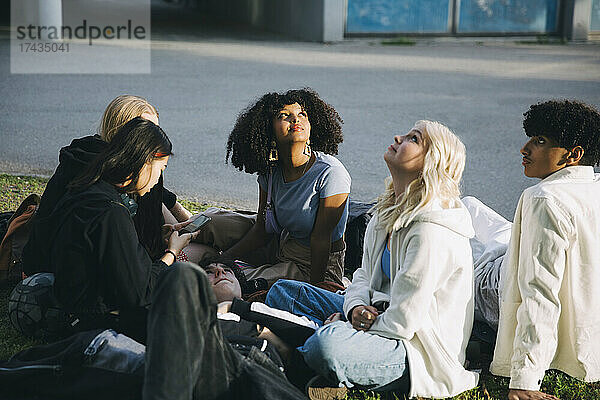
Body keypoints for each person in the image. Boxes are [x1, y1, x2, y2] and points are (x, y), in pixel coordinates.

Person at [266, 120, 479, 398]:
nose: (398, 137)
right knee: (285, 293)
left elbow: (404, 323)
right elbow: (362, 276)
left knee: (327, 345)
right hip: (374, 315)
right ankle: (325, 359)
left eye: (413, 139)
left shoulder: (431, 231)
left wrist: (346, 326)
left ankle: (303, 351)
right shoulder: (388, 210)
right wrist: (354, 309)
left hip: (414, 350)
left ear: (431, 162)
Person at [25, 117, 194, 343]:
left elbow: (113, 261)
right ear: (145, 162)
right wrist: (172, 253)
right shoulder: (111, 211)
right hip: (92, 323)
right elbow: (139, 293)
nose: (157, 180)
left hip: (73, 307)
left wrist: (154, 241)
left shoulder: (88, 187)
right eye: (160, 169)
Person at [490, 100, 600, 400]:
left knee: (465, 224)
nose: (524, 149)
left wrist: (525, 379)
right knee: (473, 209)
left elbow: (539, 293)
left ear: (573, 155)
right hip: (588, 334)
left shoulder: (545, 198)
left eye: (539, 142)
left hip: (489, 282)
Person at [23, 95, 197, 274]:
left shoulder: (102, 170)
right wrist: (171, 253)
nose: (153, 139)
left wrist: (168, 231)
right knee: (198, 256)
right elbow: (137, 287)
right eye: (145, 129)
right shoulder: (108, 200)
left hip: (73, 269)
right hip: (59, 272)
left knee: (194, 241)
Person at [195, 88, 351, 286]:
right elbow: (262, 230)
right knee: (208, 222)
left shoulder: (330, 172)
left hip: (312, 266)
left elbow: (321, 241)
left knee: (237, 281)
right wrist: (224, 258)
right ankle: (173, 240)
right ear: (268, 129)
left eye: (302, 114)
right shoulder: (270, 171)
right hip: (279, 241)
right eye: (284, 116)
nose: (295, 120)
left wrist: (317, 291)